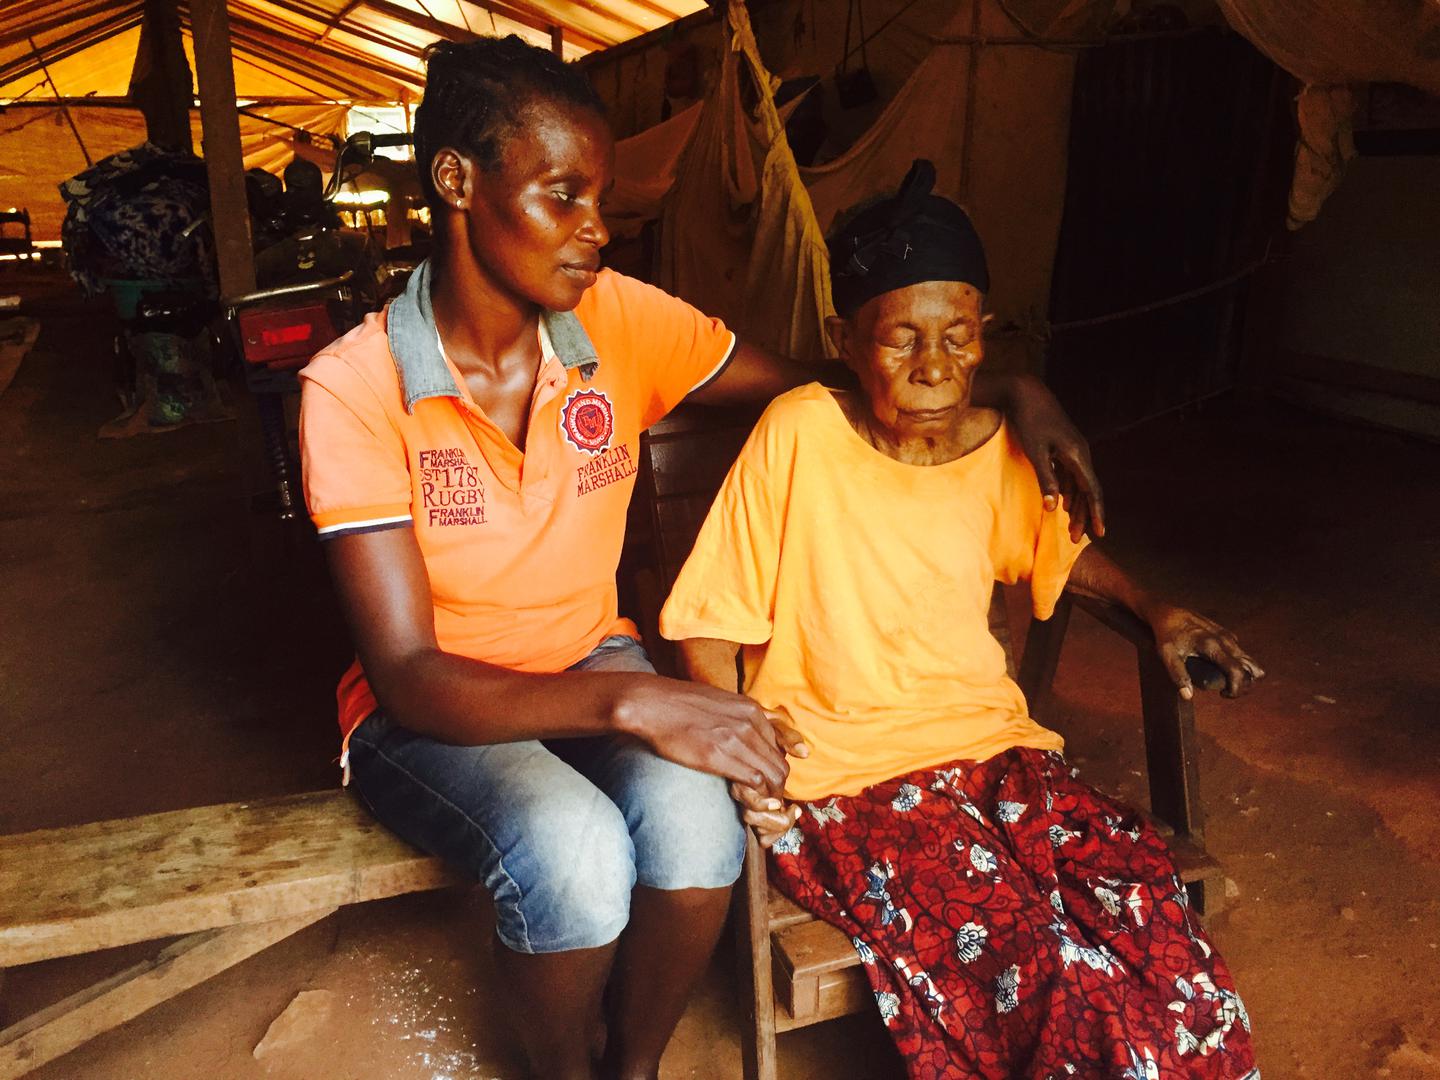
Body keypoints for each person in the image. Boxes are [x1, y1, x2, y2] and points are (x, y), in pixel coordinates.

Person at [299, 38, 1104, 1080]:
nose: (599, 228)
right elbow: (411, 677)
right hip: (433, 714)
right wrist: (635, 703)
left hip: (588, 662)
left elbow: (834, 373)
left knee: (696, 827)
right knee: (573, 849)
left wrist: (1013, 391)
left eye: (603, 197)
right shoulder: (352, 388)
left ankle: (630, 1065)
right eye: (564, 195)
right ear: (457, 181)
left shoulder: (618, 322)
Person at [661, 161, 1263, 1080]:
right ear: (845, 338)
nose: (934, 366)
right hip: (850, 781)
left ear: (985, 338)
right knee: (1047, 977)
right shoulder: (799, 435)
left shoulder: (996, 447)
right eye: (901, 338)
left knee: (1148, 919)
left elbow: (1057, 555)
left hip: (999, 758)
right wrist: (743, 732)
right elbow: (708, 619)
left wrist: (1154, 606)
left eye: (957, 337)